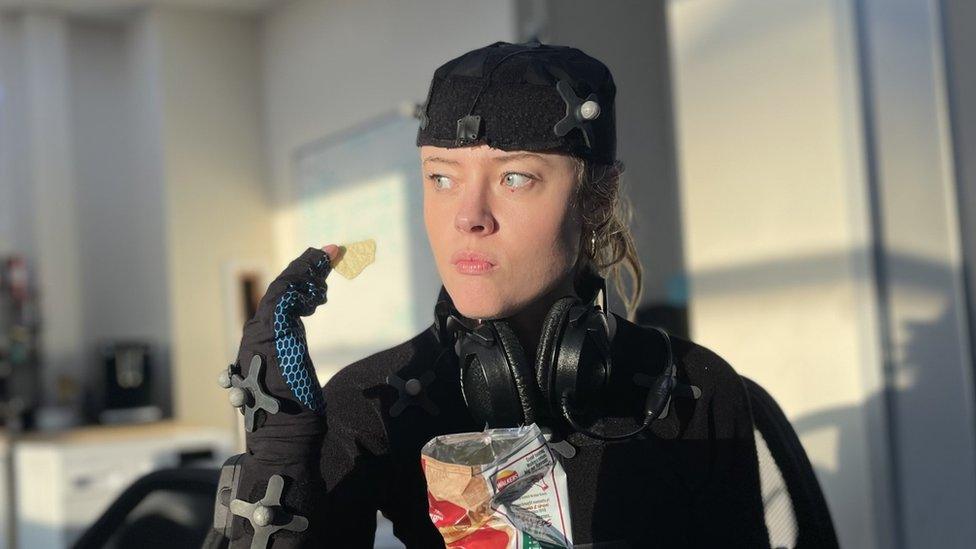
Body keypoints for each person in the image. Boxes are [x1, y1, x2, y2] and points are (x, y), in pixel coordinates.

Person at [207, 41, 770, 548]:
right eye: (442, 178)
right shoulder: (375, 402)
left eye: (515, 178)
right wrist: (279, 459)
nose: (469, 218)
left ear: (596, 199)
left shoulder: (688, 391)